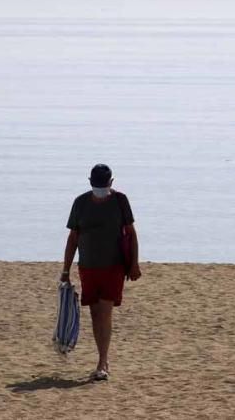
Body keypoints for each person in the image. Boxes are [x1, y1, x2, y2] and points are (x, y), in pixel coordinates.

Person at [61, 163, 141, 381]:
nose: (100, 188)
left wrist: (134, 264)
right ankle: (102, 359)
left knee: (104, 312)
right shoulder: (80, 203)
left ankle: (102, 363)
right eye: (97, 185)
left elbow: (131, 234)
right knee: (95, 314)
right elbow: (73, 238)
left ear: (111, 183)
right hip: (88, 267)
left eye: (103, 185)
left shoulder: (120, 201)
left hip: (113, 267)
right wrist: (65, 270)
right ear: (90, 183)